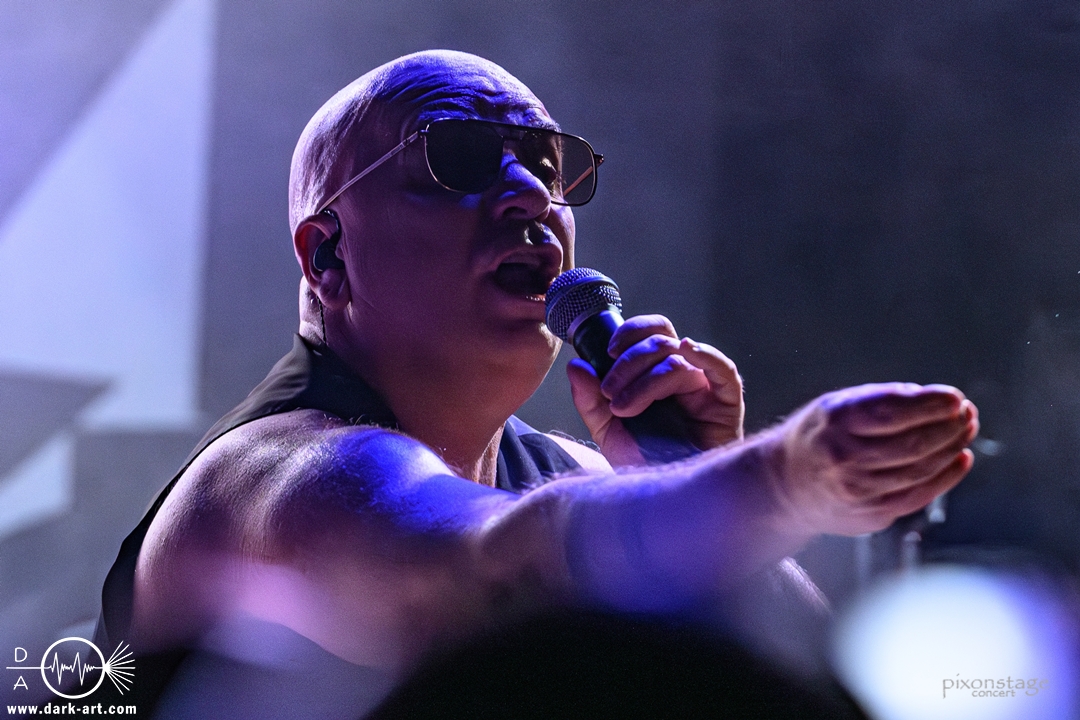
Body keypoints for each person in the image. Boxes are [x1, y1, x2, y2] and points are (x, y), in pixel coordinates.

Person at [92, 50, 978, 717]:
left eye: (548, 169)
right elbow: (495, 577)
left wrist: (685, 470)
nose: (529, 197)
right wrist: (782, 481)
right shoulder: (273, 479)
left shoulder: (561, 475)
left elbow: (792, 685)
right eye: (460, 159)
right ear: (328, 255)